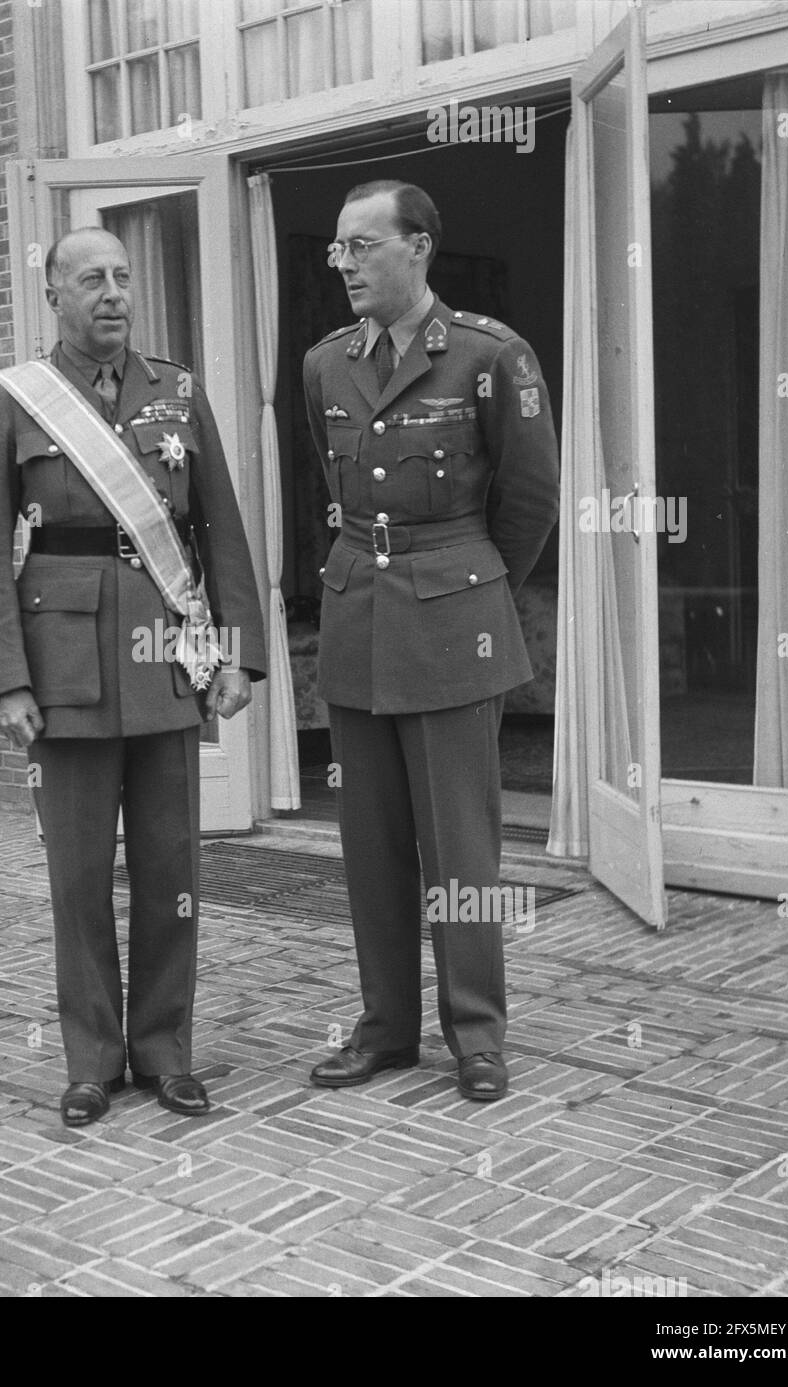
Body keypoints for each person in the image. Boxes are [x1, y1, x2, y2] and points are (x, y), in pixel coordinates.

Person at [0, 227, 266, 1127]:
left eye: (124, 277)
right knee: (81, 878)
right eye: (91, 278)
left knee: (175, 870)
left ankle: (166, 1050)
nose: (113, 293)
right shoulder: (13, 402)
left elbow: (222, 532)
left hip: (168, 669)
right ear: (53, 293)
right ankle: (93, 1058)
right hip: (65, 676)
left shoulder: (179, 392)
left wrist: (239, 653)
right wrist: (7, 679)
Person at [302, 180, 558, 1101]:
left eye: (362, 246)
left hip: (455, 623)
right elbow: (333, 490)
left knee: (463, 848)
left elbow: (529, 502)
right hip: (357, 618)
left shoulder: (491, 356)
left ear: (419, 249)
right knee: (370, 845)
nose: (347, 265)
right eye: (338, 250)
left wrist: (475, 590)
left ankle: (477, 1033)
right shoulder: (326, 364)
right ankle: (385, 1029)